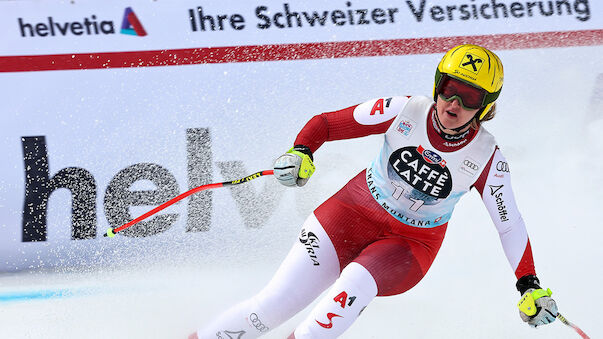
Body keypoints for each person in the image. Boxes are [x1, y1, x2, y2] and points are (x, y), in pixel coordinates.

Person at [190, 44, 558, 339]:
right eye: (449, 89)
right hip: (348, 215)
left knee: (348, 289)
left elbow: (509, 224)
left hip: (408, 246)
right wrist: (301, 151)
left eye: (470, 97)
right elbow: (326, 124)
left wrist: (528, 283)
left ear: (487, 105)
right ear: (437, 85)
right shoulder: (403, 110)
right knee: (267, 309)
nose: (454, 105)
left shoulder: (486, 157)